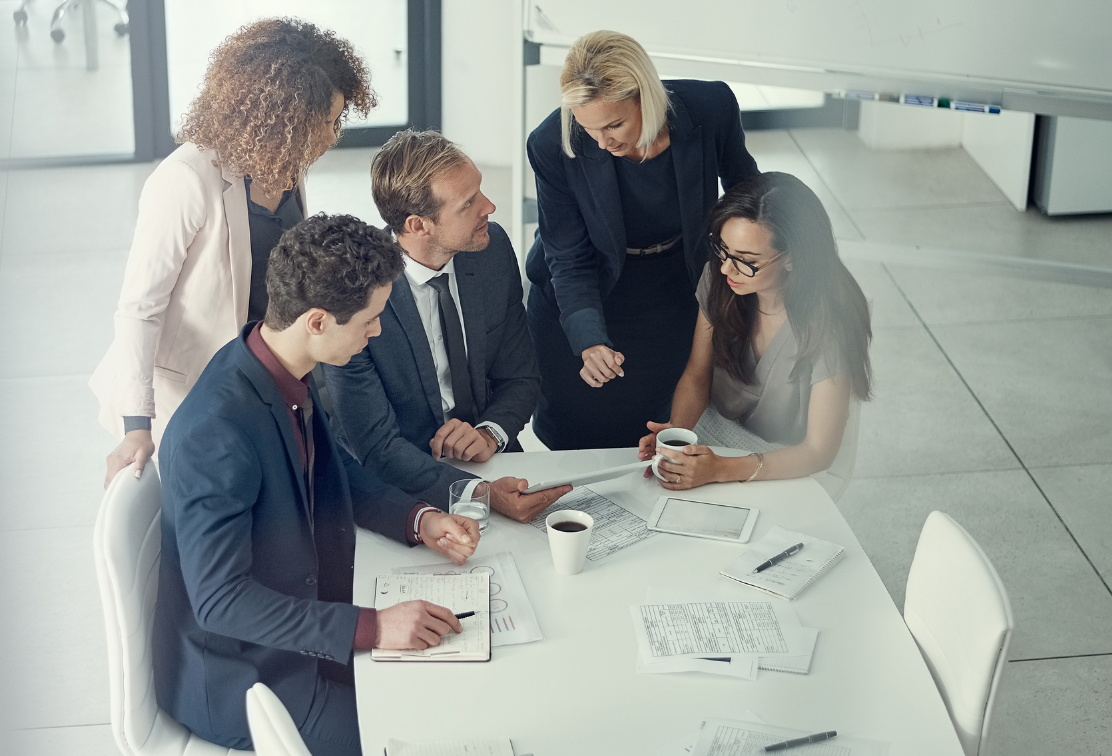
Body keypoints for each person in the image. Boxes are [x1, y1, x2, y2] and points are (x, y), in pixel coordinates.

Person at [153, 214, 483, 756]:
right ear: (317, 321)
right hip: (248, 676)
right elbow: (220, 601)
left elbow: (334, 470)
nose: (376, 332)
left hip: (301, 631)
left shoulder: (276, 366)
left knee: (449, 689)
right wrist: (373, 629)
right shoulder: (215, 432)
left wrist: (418, 519)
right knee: (424, 732)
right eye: (370, 320)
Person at [91, 18, 376, 485]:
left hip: (262, 370)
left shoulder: (286, 165)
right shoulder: (185, 179)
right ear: (282, 117)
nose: (331, 137)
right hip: (194, 390)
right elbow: (139, 310)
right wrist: (136, 427)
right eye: (324, 121)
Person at [525, 30, 759, 450]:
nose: (603, 142)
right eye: (588, 127)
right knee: (575, 434)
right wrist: (589, 338)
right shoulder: (551, 144)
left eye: (615, 124)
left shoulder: (710, 108)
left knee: (656, 429)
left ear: (646, 96)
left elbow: (748, 194)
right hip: (581, 291)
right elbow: (568, 258)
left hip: (672, 283)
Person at [321, 130, 572, 522]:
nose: (489, 206)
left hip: (488, 460)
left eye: (480, 192)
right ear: (418, 225)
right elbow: (375, 445)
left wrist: (489, 433)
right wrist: (479, 494)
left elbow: (521, 377)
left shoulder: (490, 251)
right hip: (396, 486)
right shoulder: (352, 293)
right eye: (468, 203)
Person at [638, 172, 873, 489]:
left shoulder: (830, 323)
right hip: (715, 434)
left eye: (746, 261)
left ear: (792, 259)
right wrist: (678, 440)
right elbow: (697, 374)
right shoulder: (720, 278)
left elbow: (819, 451)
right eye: (722, 249)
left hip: (787, 459)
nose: (725, 269)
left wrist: (720, 469)